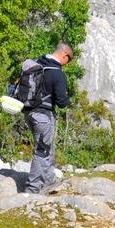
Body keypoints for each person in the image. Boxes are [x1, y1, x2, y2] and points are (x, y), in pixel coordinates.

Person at [22, 42, 72, 194]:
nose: (68, 63)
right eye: (69, 59)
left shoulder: (38, 63)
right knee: (42, 151)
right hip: (43, 116)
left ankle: (49, 181)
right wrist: (67, 99)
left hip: (29, 112)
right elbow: (62, 103)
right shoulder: (57, 72)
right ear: (65, 55)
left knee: (47, 148)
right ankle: (32, 189)